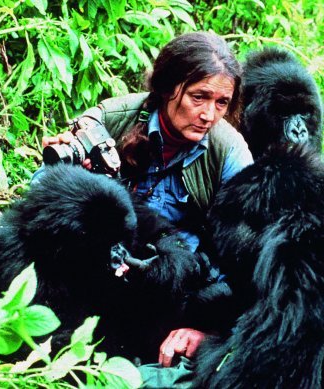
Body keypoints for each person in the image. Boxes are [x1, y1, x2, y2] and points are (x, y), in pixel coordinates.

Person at [40, 32, 253, 379]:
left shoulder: (229, 152)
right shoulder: (111, 118)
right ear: (169, 88)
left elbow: (247, 258)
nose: (209, 115)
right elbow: (42, 198)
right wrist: (68, 174)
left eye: (221, 103)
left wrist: (212, 331)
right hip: (103, 267)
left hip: (177, 281)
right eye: (199, 97)